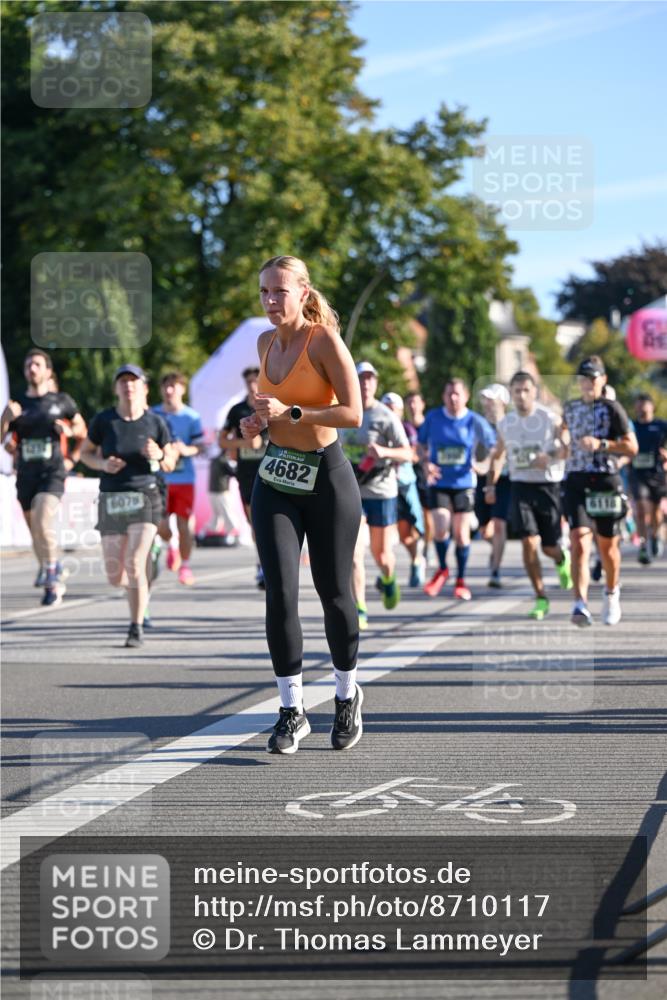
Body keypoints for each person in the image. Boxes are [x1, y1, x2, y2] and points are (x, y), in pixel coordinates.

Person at [240, 255, 363, 754]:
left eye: (280, 292)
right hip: (276, 477)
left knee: (334, 594)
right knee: (280, 592)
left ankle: (346, 694)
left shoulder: (325, 342)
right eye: (265, 292)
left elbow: (353, 412)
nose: (271, 301)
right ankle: (292, 710)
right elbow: (268, 418)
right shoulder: (264, 343)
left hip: (327, 478)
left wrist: (292, 410)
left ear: (304, 293)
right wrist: (255, 426)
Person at [80, 365, 173, 647]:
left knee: (134, 564)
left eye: (133, 381)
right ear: (116, 388)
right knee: (114, 575)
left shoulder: (155, 423)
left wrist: (158, 455)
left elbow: (169, 463)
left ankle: (135, 627)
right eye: (122, 381)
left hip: (145, 497)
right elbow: (85, 453)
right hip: (111, 498)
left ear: (144, 388)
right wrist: (102, 464)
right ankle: (142, 586)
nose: (128, 386)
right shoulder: (104, 420)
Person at [1, 349, 86, 606]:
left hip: (53, 473)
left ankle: (52, 577)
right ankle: (51, 564)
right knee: (35, 529)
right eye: (28, 365)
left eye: (37, 364)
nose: (32, 368)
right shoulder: (17, 406)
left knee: (41, 515)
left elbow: (83, 430)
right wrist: (4, 421)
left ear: (48, 371)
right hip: (26, 474)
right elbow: (4, 441)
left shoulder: (61, 402)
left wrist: (71, 443)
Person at [486, 371, 572, 620]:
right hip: (521, 486)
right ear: (511, 394)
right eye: (516, 391)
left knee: (548, 547)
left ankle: (561, 557)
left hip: (549, 486)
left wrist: (552, 455)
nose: (521, 395)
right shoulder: (506, 423)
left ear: (534, 392)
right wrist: (490, 486)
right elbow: (498, 455)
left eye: (526, 390)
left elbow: (566, 446)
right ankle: (541, 597)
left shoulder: (549, 417)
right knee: (528, 542)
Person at [561, 356, 638, 626]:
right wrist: (559, 444)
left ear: (602, 380)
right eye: (584, 379)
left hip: (605, 479)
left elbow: (632, 447)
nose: (588, 384)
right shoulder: (569, 408)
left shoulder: (612, 408)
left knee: (607, 548)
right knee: (579, 542)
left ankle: (611, 592)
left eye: (593, 378)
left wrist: (602, 444)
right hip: (576, 480)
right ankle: (579, 604)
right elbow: (562, 437)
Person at [340, 363, 413, 629]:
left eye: (370, 379)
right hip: (352, 492)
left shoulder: (385, 417)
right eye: (361, 378)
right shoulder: (344, 412)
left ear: (376, 384)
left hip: (382, 491)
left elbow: (408, 453)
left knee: (380, 554)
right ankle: (359, 607)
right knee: (353, 554)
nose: (365, 384)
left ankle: (389, 577)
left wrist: (384, 452)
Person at [418, 377, 495, 601]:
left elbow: (495, 448)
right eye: (449, 394)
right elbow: (420, 445)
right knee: (441, 528)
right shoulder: (433, 418)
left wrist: (482, 466)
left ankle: (461, 581)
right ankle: (443, 569)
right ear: (444, 397)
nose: (453, 398)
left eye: (457, 394)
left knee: (461, 534)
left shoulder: (474, 421)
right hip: (439, 481)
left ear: (465, 397)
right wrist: (426, 463)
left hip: (463, 484)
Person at [152, 371, 205, 585]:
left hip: (184, 479)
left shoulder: (191, 417)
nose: (169, 390)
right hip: (159, 478)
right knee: (160, 526)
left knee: (185, 526)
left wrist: (185, 449)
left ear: (182, 389)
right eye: (166, 386)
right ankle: (171, 544)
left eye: (174, 386)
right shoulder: (153, 414)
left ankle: (185, 566)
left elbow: (200, 447)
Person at [221, 366, 268, 587]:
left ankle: (271, 565)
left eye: (256, 380)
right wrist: (244, 444)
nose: (252, 385)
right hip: (247, 475)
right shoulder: (237, 410)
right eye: (248, 381)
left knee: (271, 522)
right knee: (256, 524)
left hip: (272, 472)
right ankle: (262, 564)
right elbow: (222, 441)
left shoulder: (272, 407)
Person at [381, 391, 425, 587]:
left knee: (407, 535)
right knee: (385, 534)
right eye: (387, 408)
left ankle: (417, 560)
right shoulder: (377, 427)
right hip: (382, 486)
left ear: (400, 411)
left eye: (394, 409)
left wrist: (390, 454)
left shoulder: (406, 429)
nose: (390, 412)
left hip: (404, 485)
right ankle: (387, 575)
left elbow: (413, 455)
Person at [475, 383, 511, 588]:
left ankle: (495, 570)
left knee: (499, 524)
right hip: (481, 479)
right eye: (485, 400)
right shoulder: (478, 423)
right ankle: (496, 549)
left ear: (503, 402)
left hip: (504, 479)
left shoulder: (510, 424)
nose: (487, 404)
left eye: (492, 400)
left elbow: (502, 455)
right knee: (484, 530)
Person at [628, 393, 667, 563]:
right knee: (641, 509)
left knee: (656, 510)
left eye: (644, 405)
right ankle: (643, 545)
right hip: (637, 474)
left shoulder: (660, 425)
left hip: (657, 473)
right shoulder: (631, 426)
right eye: (638, 405)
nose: (641, 408)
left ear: (652, 407)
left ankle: (656, 535)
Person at [404, 390, 434, 566]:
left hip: (425, 472)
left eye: (416, 402)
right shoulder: (403, 426)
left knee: (427, 512)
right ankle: (418, 545)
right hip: (407, 473)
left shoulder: (429, 425)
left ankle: (427, 545)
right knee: (411, 515)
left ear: (423, 404)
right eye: (410, 403)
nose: (413, 406)